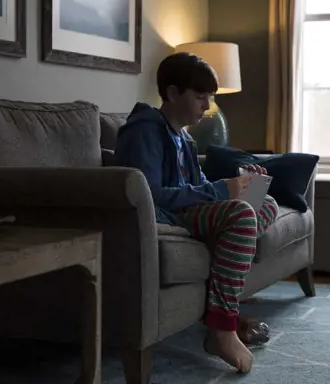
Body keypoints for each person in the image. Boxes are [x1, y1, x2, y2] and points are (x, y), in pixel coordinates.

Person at [114, 52, 279, 373]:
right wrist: (222, 192)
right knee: (242, 217)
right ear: (173, 93)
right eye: (201, 96)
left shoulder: (184, 138)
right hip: (166, 216)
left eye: (210, 97)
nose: (207, 105)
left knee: (265, 204)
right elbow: (150, 193)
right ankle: (222, 328)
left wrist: (242, 185)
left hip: (188, 212)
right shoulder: (145, 130)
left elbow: (198, 185)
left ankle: (225, 273)